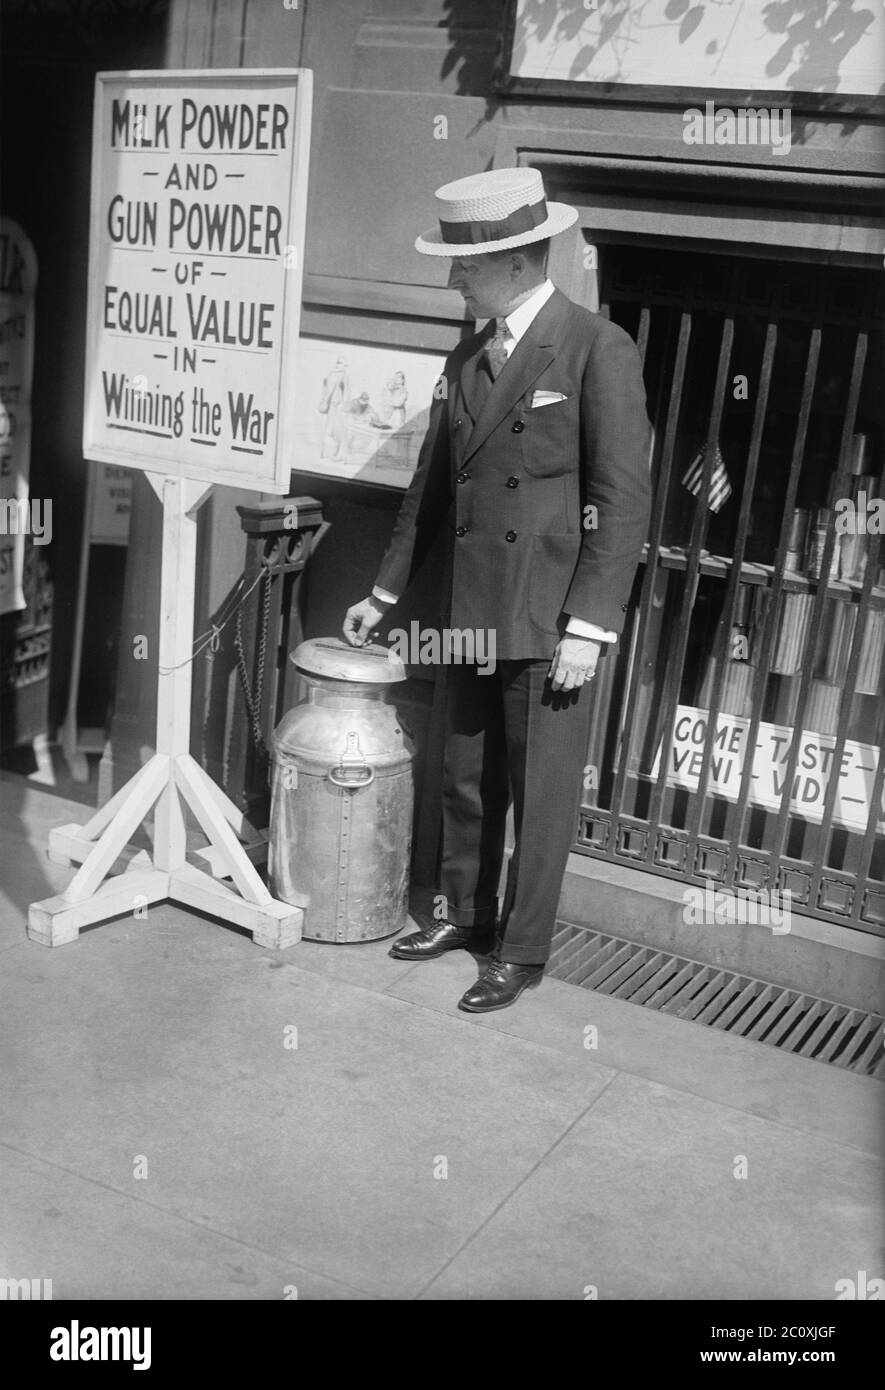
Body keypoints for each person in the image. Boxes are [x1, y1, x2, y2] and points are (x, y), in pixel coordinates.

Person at [343, 167, 651, 1013]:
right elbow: (429, 487)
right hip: (470, 609)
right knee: (464, 774)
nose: (450, 279)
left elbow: (621, 499)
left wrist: (590, 624)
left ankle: (519, 951)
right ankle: (463, 915)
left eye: (461, 265)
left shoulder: (596, 346)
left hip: (551, 618)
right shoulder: (467, 353)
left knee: (541, 793)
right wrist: (385, 589)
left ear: (514, 261)